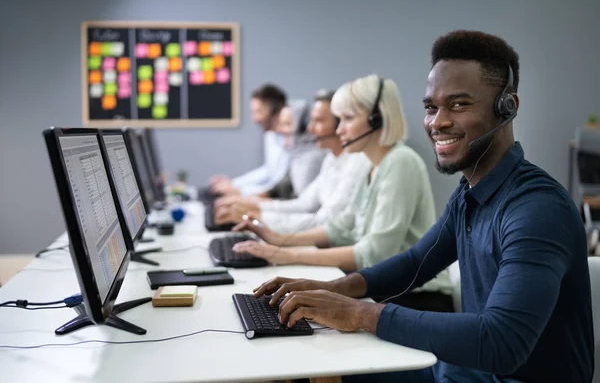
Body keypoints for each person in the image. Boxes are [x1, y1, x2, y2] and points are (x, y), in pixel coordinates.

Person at [248, 30, 594, 382]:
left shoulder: (536, 208)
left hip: (502, 375)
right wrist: (330, 291)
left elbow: (502, 342)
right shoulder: (469, 194)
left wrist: (360, 314)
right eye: (431, 107)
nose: (437, 121)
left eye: (459, 104)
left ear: (507, 107)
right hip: (467, 371)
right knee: (320, 367)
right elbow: (416, 262)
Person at [233, 74, 452, 311]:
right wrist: (279, 241)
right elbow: (340, 227)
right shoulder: (370, 163)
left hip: (418, 299)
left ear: (377, 119)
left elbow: (374, 253)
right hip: (384, 290)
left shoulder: (401, 162)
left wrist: (287, 254)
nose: (339, 129)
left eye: (347, 119)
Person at [214, 89, 371, 233]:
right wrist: (254, 208)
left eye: (319, 121)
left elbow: (323, 220)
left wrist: (257, 216)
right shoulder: (330, 159)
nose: (309, 129)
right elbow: (304, 203)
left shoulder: (349, 162)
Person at [209, 84, 290, 197]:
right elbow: (269, 170)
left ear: (276, 111)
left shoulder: (293, 139)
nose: (254, 119)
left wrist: (241, 191)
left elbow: (278, 186)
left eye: (258, 112)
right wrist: (232, 184)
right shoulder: (270, 135)